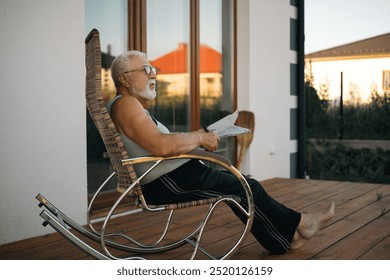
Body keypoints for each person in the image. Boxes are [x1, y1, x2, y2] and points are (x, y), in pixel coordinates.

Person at [107, 50, 335, 255]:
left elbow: (161, 143)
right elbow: (161, 146)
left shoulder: (129, 105)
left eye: (154, 69)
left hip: (174, 176)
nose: (153, 75)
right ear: (124, 78)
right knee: (245, 186)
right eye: (146, 69)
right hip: (167, 181)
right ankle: (302, 223)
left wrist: (200, 135)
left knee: (242, 186)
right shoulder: (126, 104)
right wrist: (198, 137)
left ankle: (286, 238)